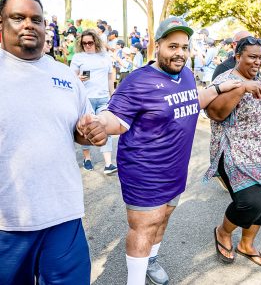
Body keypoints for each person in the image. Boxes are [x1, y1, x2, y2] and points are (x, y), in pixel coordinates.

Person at [77, 16, 241, 285]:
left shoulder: (186, 75)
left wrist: (221, 87)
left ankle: (151, 260)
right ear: (158, 46)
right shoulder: (138, 81)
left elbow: (193, 100)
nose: (180, 53)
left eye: (185, 47)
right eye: (173, 46)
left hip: (175, 170)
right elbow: (115, 118)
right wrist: (99, 124)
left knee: (163, 218)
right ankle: (136, 281)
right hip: (145, 172)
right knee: (144, 227)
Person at [0, 0, 107, 285]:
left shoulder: (65, 75)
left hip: (63, 216)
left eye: (36, 19)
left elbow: (81, 131)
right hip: (7, 223)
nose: (29, 24)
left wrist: (91, 133)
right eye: (18, 17)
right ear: (1, 23)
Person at [204, 36, 261, 267]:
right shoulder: (225, 80)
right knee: (251, 203)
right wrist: (242, 88)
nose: (257, 62)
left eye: (260, 58)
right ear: (237, 57)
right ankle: (223, 232)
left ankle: (246, 244)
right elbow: (216, 113)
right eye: (252, 57)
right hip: (236, 153)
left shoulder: (259, 77)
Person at [70, 29, 117, 174]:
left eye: (90, 42)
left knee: (105, 128)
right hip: (86, 99)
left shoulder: (105, 56)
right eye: (84, 43)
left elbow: (110, 78)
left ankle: (108, 164)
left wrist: (112, 95)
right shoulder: (78, 57)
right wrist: (77, 79)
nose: (87, 46)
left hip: (103, 98)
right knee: (86, 130)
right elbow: (70, 79)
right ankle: (87, 158)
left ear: (96, 42)